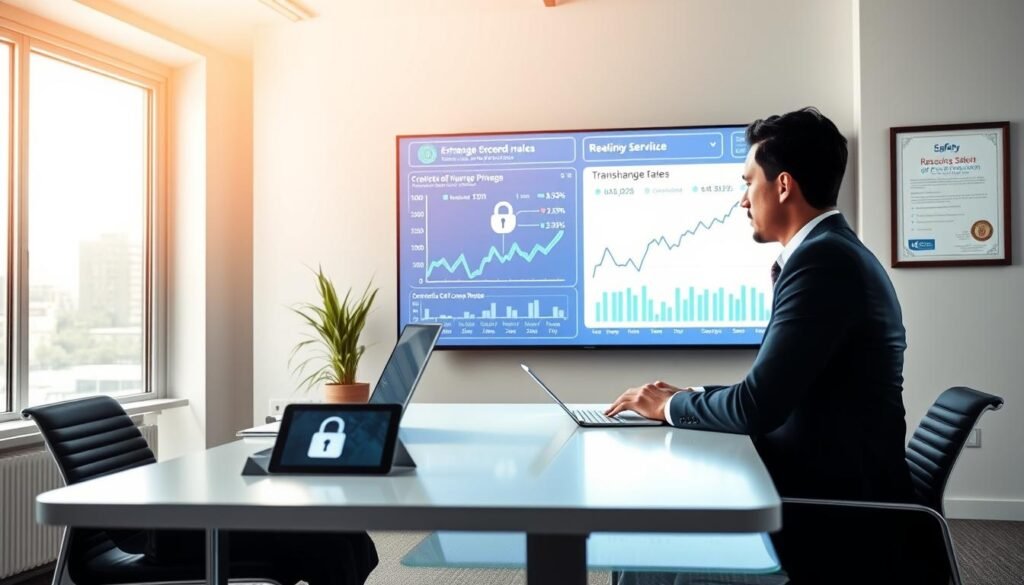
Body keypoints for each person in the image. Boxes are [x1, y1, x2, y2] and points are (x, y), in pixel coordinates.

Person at [606, 107, 914, 582]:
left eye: (748, 183)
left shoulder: (824, 262)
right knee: (654, 528)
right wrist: (688, 399)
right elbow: (774, 390)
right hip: (820, 488)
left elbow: (758, 407)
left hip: (828, 516)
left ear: (784, 185)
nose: (742, 201)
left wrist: (673, 406)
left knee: (647, 544)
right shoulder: (830, 253)